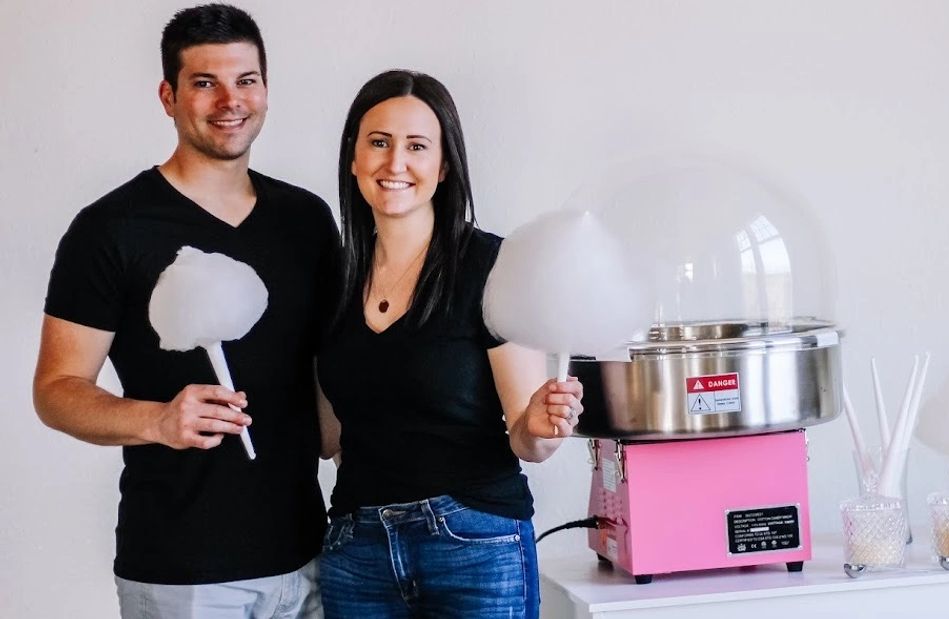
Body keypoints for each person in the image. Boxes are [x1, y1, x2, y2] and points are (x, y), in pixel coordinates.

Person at [32, 4, 336, 617]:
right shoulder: (111, 229)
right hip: (181, 570)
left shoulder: (307, 220)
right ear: (168, 96)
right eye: (205, 83)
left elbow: (328, 380)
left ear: (266, 90)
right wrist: (156, 420)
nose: (230, 100)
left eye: (245, 80)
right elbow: (56, 390)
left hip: (312, 553)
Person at [315, 70, 584, 618]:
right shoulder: (331, 281)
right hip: (356, 548)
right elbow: (327, 438)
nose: (395, 163)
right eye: (379, 143)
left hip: (471, 541)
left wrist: (539, 424)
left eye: (417, 146)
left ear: (443, 167)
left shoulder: (489, 266)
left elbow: (528, 442)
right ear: (353, 157)